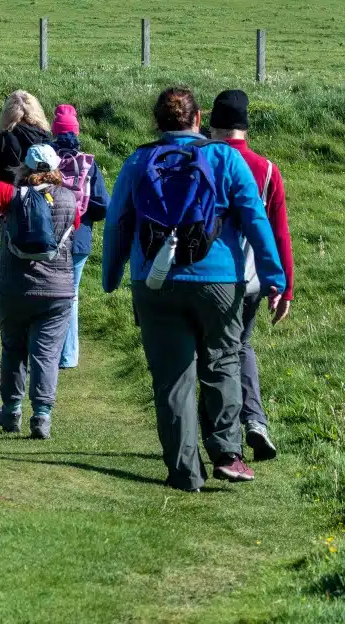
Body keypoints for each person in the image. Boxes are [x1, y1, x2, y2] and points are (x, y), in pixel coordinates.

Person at [102, 87, 285, 491]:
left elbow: (117, 223)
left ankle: (185, 471)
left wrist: (111, 275)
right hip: (219, 281)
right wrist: (274, 277)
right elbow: (256, 219)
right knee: (222, 363)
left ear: (157, 121)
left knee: (172, 378)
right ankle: (227, 452)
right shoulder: (224, 158)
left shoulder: (139, 160)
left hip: (154, 281)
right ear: (198, 118)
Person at [0, 144, 80, 439]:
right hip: (57, 291)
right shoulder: (70, 199)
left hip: (13, 287)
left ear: (25, 167)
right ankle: (42, 416)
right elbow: (76, 226)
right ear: (56, 168)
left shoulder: (11, 197)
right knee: (46, 354)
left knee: (13, 349)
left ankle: (11, 410)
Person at [209, 89, 295, 462]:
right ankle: (255, 422)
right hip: (252, 278)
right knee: (240, 347)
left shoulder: (206, 160)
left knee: (211, 355)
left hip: (209, 275)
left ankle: (221, 434)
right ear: (245, 127)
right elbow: (279, 232)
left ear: (211, 124)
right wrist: (284, 287)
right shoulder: (267, 169)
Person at [48, 104, 110, 370]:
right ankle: (68, 355)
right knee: (71, 296)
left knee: (49, 294)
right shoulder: (88, 164)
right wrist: (83, 213)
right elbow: (103, 205)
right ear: (77, 131)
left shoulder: (44, 158)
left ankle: (46, 351)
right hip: (79, 239)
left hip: (49, 237)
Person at [0, 90, 51, 227]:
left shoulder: (4, 139)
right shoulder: (45, 137)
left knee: (9, 244)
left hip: (10, 203)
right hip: (44, 199)